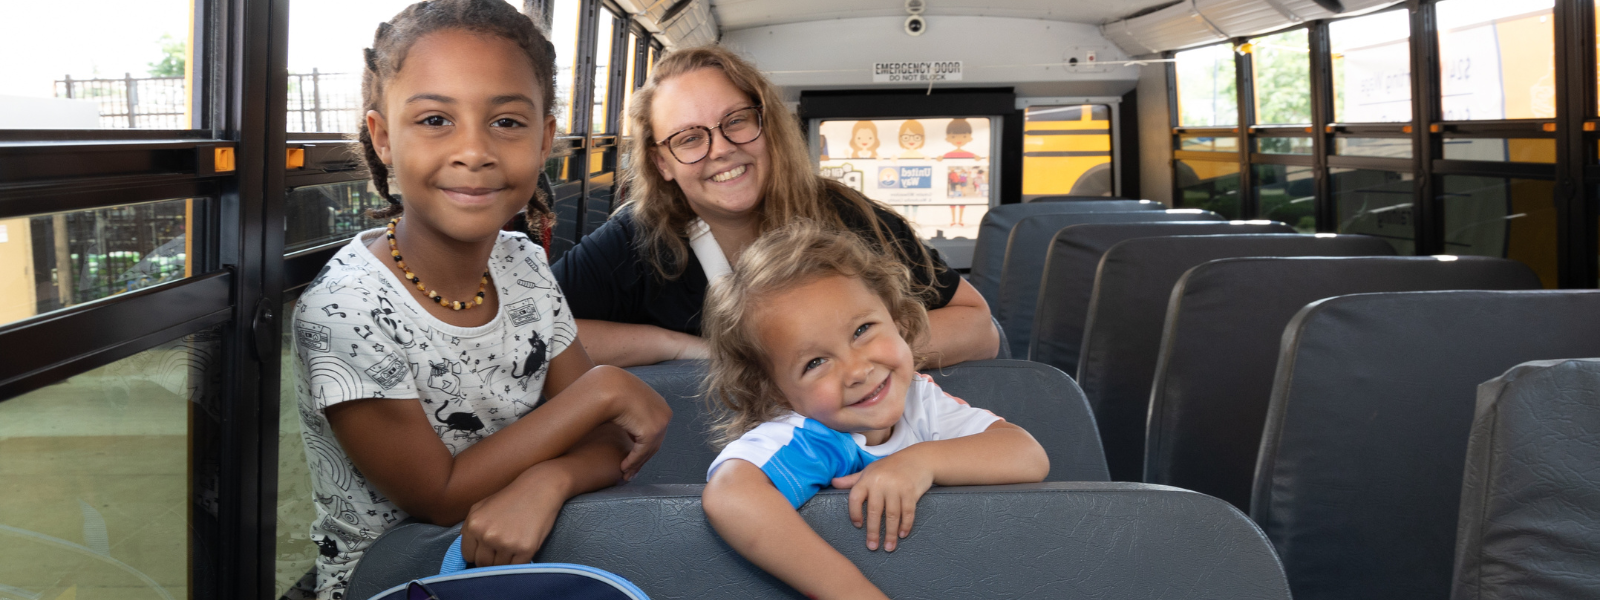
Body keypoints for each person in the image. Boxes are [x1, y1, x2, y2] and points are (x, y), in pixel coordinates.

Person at [289, 2, 670, 598]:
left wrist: (550, 480)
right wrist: (604, 390)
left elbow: (611, 442)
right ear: (383, 137)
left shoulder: (521, 262)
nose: (475, 151)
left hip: (526, 546)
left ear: (545, 139)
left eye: (507, 123)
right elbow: (438, 497)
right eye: (436, 120)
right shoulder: (344, 312)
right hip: (397, 576)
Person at [553, 45, 999, 368]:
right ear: (661, 162)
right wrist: (675, 347)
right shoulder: (635, 239)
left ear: (767, 124)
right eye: (689, 138)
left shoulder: (848, 217)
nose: (721, 149)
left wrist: (852, 362)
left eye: (736, 122)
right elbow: (541, 335)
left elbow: (979, 328)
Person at [698, 222, 1049, 600]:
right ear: (778, 394)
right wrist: (850, 591)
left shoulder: (919, 399)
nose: (857, 370)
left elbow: (1027, 455)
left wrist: (921, 462)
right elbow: (730, 495)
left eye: (862, 329)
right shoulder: (809, 436)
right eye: (815, 362)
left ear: (899, 322)